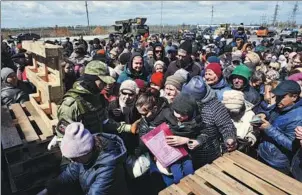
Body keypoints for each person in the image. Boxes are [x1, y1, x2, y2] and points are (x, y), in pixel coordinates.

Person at [37, 122, 129, 195]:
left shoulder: (108, 167)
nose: (73, 161)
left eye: (75, 158)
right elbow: (70, 173)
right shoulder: (84, 155)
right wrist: (48, 189)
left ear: (86, 151)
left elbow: (96, 192)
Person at [57, 61, 137, 137]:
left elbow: (105, 122)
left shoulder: (98, 97)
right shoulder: (71, 105)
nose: (105, 84)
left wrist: (129, 128)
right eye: (102, 81)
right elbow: (63, 139)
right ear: (91, 79)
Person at [182, 76, 237, 169]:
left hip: (208, 152)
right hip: (185, 150)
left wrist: (229, 138)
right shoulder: (182, 100)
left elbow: (226, 125)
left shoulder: (214, 107)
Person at [256, 80, 302, 175]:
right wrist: (263, 114)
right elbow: (270, 111)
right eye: (277, 96)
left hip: (277, 163)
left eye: (282, 97)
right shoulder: (281, 105)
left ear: (294, 97)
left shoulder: (298, 118)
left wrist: (269, 129)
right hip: (263, 152)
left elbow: (292, 146)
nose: (277, 100)